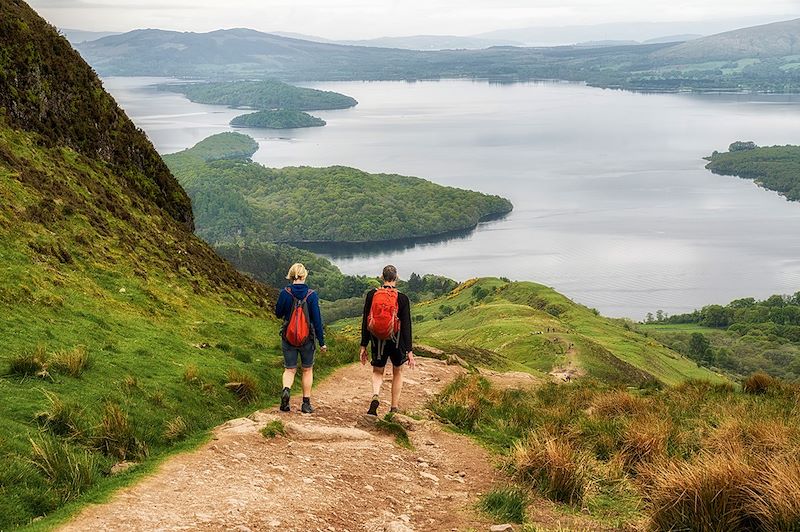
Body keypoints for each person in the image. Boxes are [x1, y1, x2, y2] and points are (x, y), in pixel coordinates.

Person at [360, 264, 415, 416]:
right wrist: (409, 350)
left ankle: (376, 395)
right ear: (396, 278)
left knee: (378, 371)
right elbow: (406, 326)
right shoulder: (402, 298)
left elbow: (365, 320)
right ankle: (394, 408)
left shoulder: (372, 295)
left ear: (382, 277)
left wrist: (363, 345)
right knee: (398, 372)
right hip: (397, 341)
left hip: (377, 340)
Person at [275, 263, 326, 413]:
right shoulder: (311, 295)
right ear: (304, 276)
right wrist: (322, 342)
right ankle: (306, 404)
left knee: (290, 369)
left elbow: (278, 313)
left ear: (291, 276)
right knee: (307, 369)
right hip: (307, 339)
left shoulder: (285, 293)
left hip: (288, 337)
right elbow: (317, 320)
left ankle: (286, 391)